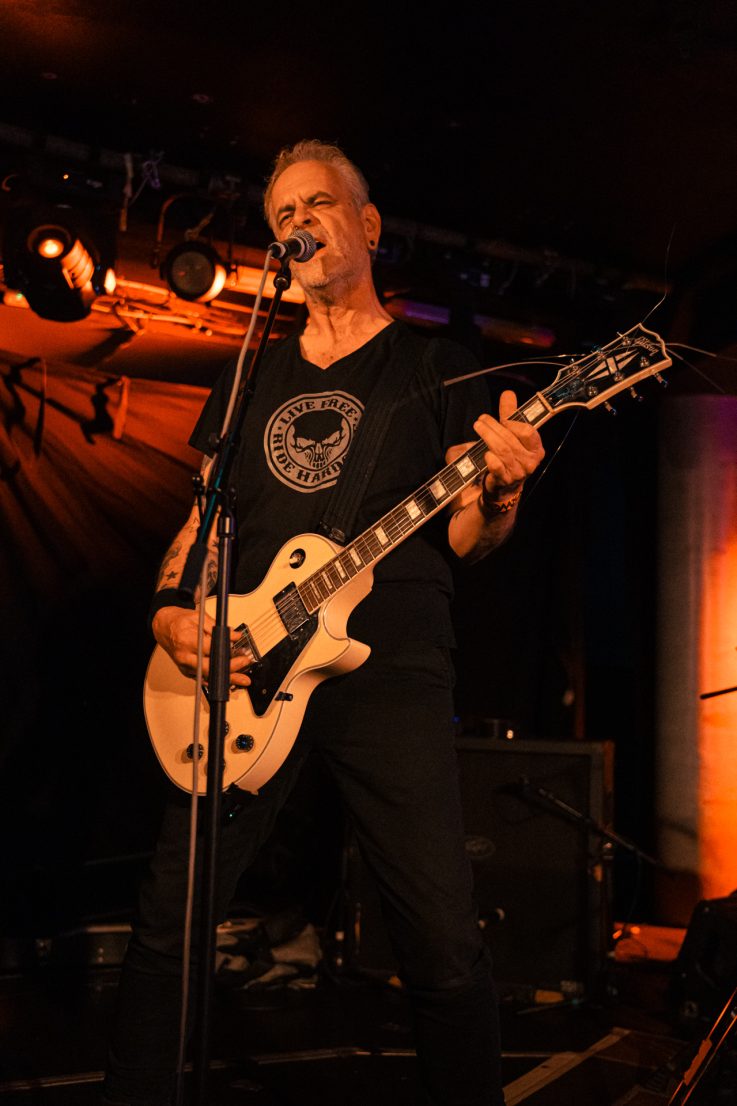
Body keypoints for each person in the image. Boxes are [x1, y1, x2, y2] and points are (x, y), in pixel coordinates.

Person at [102, 139, 545, 1106]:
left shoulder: (436, 366)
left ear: (368, 225)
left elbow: (468, 538)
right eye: (281, 217)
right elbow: (202, 520)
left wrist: (503, 493)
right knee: (168, 922)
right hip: (247, 667)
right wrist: (174, 610)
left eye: (316, 205)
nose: (295, 225)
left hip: (388, 667)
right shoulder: (250, 377)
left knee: (436, 934)